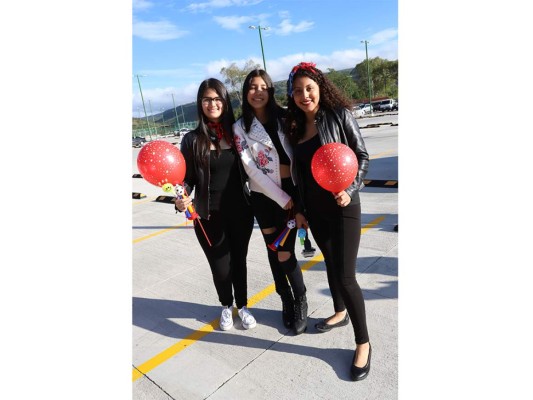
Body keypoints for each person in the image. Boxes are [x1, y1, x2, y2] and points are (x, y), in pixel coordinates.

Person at [285, 62, 371, 381]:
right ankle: (340, 313)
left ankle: (363, 343)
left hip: (344, 206)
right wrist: (301, 210)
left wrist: (350, 189)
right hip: (316, 211)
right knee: (331, 264)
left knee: (346, 276)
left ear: (320, 86)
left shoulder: (339, 116)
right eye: (297, 91)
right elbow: (300, 175)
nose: (304, 95)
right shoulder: (295, 128)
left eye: (309, 88)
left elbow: (361, 157)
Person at [175, 78, 256, 331]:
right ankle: (225, 306)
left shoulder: (238, 133)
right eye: (207, 99)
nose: (213, 103)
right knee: (220, 267)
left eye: (217, 98)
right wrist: (181, 199)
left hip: (241, 212)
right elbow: (185, 179)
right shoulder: (192, 140)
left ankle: (242, 306)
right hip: (208, 216)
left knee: (239, 262)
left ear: (225, 101)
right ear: (200, 103)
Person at [233, 69, 308, 335]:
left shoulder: (287, 117)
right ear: (246, 92)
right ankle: (285, 299)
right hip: (265, 197)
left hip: (294, 189)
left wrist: (292, 198)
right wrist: (281, 198)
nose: (258, 92)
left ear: (271, 90)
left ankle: (299, 299)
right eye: (252, 87)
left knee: (286, 251)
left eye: (263, 86)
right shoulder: (240, 127)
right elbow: (250, 168)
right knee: (273, 251)